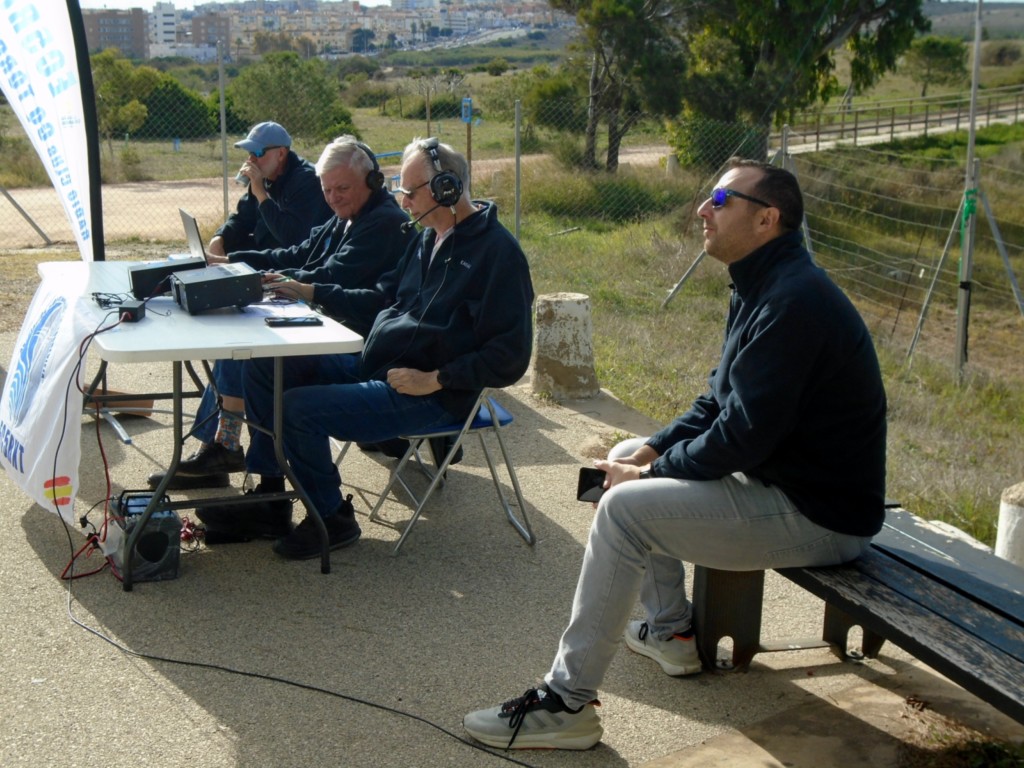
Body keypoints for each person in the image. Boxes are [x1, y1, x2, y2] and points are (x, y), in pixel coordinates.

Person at [462, 158, 888, 750]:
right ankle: (669, 633)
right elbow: (716, 400)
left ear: (767, 218)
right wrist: (651, 452)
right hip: (786, 485)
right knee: (631, 448)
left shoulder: (795, 302)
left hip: (824, 515)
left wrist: (646, 475)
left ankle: (567, 704)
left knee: (623, 508)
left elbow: (742, 438)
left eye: (720, 199)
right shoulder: (762, 283)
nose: (702, 210)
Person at [193, 137, 536, 560]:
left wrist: (436, 379)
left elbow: (511, 355)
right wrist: (312, 295)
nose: (403, 201)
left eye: (410, 192)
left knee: (299, 409)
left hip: (430, 392)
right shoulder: (427, 237)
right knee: (267, 364)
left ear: (447, 188)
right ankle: (270, 498)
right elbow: (381, 298)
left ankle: (332, 518)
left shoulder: (498, 253)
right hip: (379, 365)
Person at [148, 136, 412, 491]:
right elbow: (298, 253)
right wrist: (234, 263)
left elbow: (331, 275)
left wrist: (278, 281)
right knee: (242, 342)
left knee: (255, 354)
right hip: (327, 324)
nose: (333, 197)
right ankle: (227, 450)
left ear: (372, 181)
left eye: (342, 188)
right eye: (328, 189)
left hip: (354, 341)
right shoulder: (347, 216)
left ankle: (245, 464)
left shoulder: (383, 223)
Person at [207, 121, 332, 258]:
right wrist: (220, 238)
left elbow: (292, 238)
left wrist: (262, 195)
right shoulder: (264, 176)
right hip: (268, 250)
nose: (251, 159)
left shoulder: (306, 180)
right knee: (227, 246)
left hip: (294, 258)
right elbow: (243, 218)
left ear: (281, 154)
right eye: (250, 152)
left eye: (258, 153)